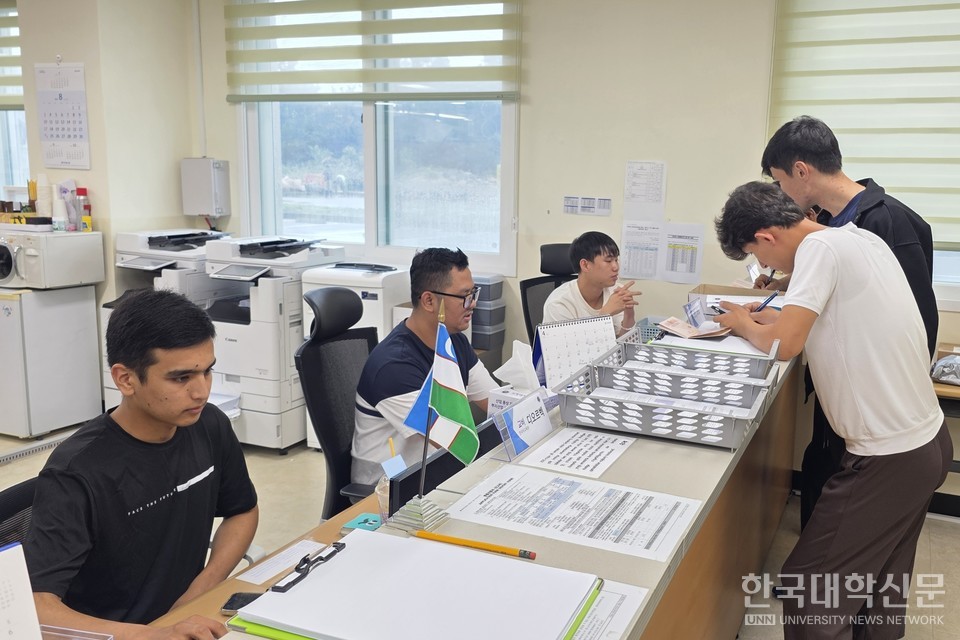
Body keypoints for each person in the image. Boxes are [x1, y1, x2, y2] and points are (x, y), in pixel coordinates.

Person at [714, 181, 951, 640]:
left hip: (888, 458)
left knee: (808, 593)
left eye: (758, 255)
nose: (767, 266)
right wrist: (773, 319)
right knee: (878, 586)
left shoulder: (818, 250)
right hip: (928, 442)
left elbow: (786, 344)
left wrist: (743, 323)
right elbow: (839, 316)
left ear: (766, 236)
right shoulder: (859, 238)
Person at [24, 289, 259, 640]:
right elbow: (37, 606)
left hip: (186, 623)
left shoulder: (209, 425)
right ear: (126, 379)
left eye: (207, 371)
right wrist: (150, 635)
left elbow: (242, 511)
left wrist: (199, 593)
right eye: (181, 378)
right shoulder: (76, 473)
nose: (201, 392)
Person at [759, 115, 940, 528]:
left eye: (780, 182)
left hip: (878, 403)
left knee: (847, 504)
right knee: (824, 466)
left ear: (801, 171)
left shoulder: (885, 221)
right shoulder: (831, 221)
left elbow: (913, 316)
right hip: (847, 385)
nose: (781, 195)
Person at [352, 248, 499, 485]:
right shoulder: (394, 366)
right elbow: (453, 442)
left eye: (474, 293)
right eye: (464, 296)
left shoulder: (455, 341)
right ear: (429, 300)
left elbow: (497, 402)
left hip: (432, 469)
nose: (472, 304)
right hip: (387, 487)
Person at [541, 231, 639, 336]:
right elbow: (570, 345)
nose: (616, 267)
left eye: (616, 260)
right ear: (585, 265)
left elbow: (621, 342)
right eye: (608, 261)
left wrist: (629, 315)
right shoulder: (559, 303)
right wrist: (604, 315)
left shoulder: (616, 291)